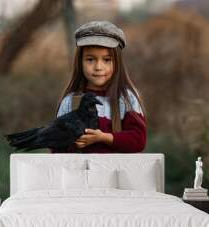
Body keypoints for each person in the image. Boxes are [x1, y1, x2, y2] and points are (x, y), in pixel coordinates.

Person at [50, 21, 146, 153]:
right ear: (80, 62)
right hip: (79, 172)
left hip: (116, 173)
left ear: (117, 62)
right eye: (90, 59)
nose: (98, 67)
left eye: (107, 60)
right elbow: (56, 147)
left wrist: (103, 138)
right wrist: (73, 142)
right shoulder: (70, 102)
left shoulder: (126, 98)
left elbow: (138, 140)